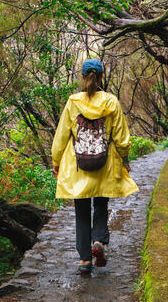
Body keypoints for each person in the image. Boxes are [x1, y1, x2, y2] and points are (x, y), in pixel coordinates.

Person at [51, 58, 139, 275]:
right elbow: (121, 137)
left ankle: (84, 261)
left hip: (78, 166)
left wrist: (56, 162)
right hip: (104, 164)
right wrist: (125, 161)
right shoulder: (111, 102)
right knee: (101, 203)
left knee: (81, 211)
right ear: (101, 77)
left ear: (83, 77)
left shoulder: (73, 102)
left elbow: (62, 136)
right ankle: (98, 241)